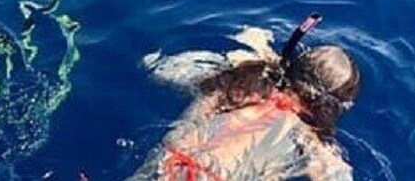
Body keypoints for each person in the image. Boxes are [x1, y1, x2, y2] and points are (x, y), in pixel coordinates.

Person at [130, 15, 360, 180]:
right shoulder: (309, 141)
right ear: (334, 106)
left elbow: (160, 70)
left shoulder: (237, 86)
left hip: (168, 162)